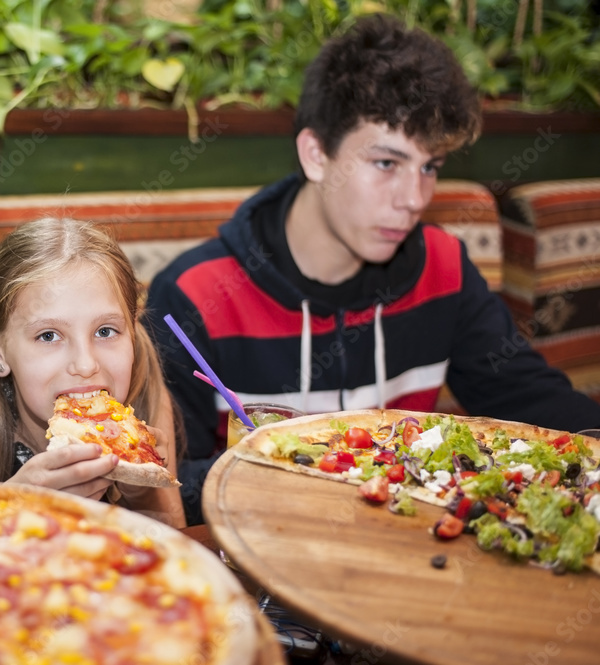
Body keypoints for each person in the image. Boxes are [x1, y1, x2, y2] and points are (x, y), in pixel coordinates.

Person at [144, 14, 600, 525]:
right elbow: (161, 486)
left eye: (429, 167)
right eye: (387, 163)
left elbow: (531, 400)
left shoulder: (443, 268)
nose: (413, 199)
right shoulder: (193, 294)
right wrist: (295, 464)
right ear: (316, 155)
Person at [0, 218, 186, 528]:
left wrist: (143, 493)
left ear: (131, 332)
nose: (85, 364)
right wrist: (7, 507)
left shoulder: (142, 394)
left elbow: (179, 551)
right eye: (49, 336)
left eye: (105, 331)